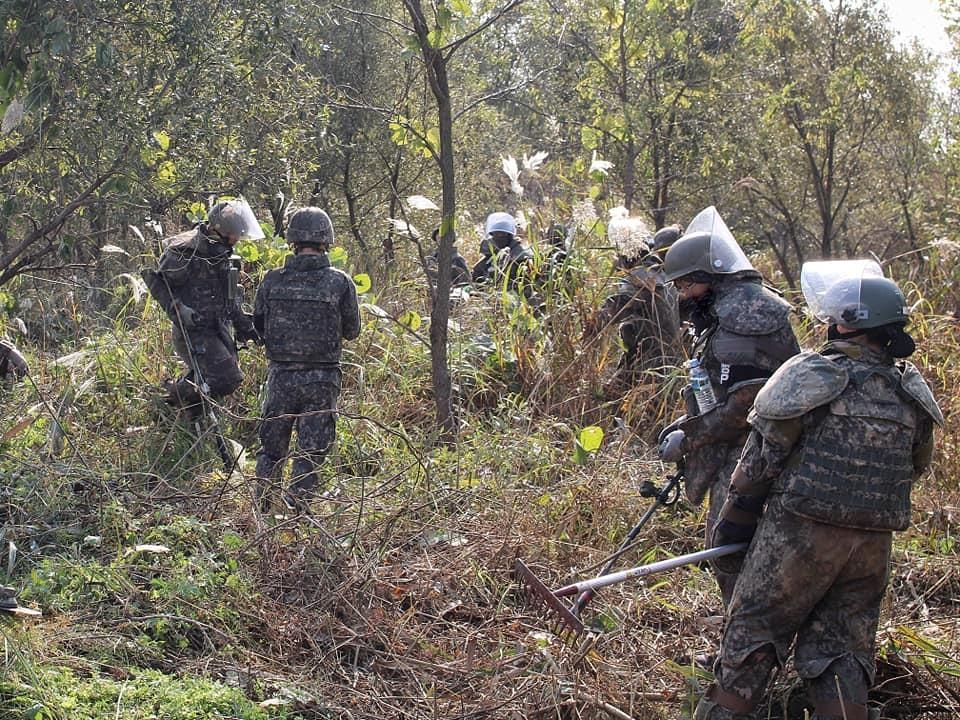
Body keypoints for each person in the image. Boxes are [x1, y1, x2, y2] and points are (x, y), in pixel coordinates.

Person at [694, 265, 942, 720]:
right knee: (843, 648)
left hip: (799, 535)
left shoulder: (812, 374)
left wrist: (732, 527)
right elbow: (915, 467)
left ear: (844, 322)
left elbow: (757, 463)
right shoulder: (911, 389)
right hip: (872, 544)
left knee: (753, 633)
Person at [657, 206, 800, 606]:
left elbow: (746, 403)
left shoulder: (744, 311)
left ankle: (742, 651)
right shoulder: (729, 307)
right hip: (747, 448)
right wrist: (688, 424)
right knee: (728, 549)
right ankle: (738, 644)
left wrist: (691, 435)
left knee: (732, 551)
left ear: (707, 277)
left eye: (686, 285)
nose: (683, 295)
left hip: (755, 451)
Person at [252, 206, 361, 513]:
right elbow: (352, 331)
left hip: (281, 379)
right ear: (327, 240)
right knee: (311, 452)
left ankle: (264, 511)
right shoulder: (340, 283)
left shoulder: (272, 280)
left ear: (292, 240)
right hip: (322, 381)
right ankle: (295, 513)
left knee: (271, 450)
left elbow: (257, 326)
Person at [142, 197, 264, 409]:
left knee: (213, 380)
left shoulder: (226, 255)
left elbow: (230, 299)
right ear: (219, 230)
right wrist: (179, 310)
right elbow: (159, 286)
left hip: (219, 328)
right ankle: (171, 396)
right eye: (234, 235)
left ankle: (187, 414)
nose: (237, 240)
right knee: (226, 379)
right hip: (193, 331)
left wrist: (246, 327)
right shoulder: (184, 252)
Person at [587, 214, 684, 383]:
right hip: (666, 366)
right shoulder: (664, 274)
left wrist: (587, 326)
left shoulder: (641, 278)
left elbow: (611, 312)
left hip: (652, 373)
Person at [471, 212, 534, 295]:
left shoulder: (520, 254)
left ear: (509, 235)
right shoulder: (490, 255)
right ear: (492, 234)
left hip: (515, 295)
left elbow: (528, 282)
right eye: (496, 233)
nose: (499, 237)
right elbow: (476, 275)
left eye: (502, 234)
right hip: (490, 295)